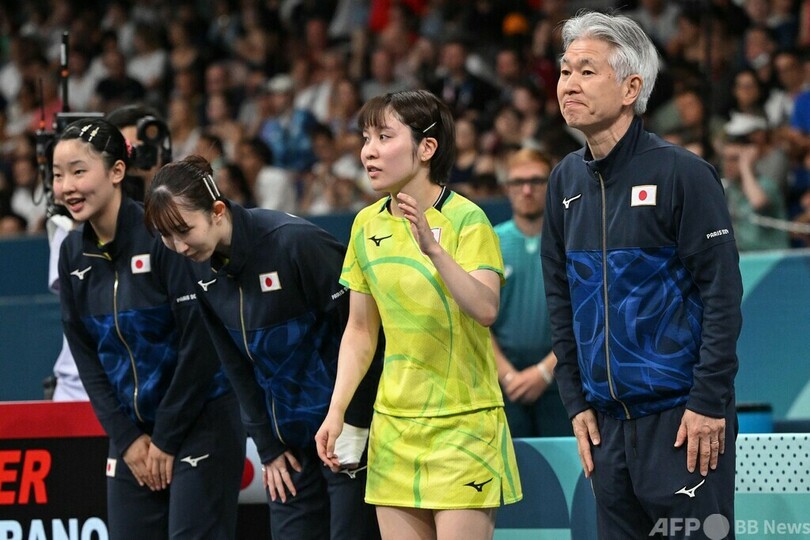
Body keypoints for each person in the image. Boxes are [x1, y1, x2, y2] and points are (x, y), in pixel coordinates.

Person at [542, 12, 743, 539]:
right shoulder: (564, 180)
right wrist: (575, 402)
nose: (569, 84)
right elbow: (561, 297)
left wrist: (707, 402)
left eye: (587, 71)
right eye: (565, 71)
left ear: (631, 88)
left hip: (682, 422)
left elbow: (722, 296)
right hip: (605, 429)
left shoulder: (683, 173)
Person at [315, 90, 522, 540]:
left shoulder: (468, 220)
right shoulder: (365, 224)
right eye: (366, 138)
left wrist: (434, 249)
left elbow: (486, 309)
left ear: (426, 148)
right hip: (393, 428)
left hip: (464, 426)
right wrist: (337, 411)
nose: (368, 151)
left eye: (384, 137)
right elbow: (360, 331)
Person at [144, 155, 382, 540]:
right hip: (290, 447)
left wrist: (355, 422)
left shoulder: (295, 243)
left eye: (183, 231)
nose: (178, 247)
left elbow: (365, 333)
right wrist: (267, 446)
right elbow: (234, 363)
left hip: (345, 437)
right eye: (165, 237)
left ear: (217, 211)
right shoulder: (195, 264)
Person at [53, 118, 244, 539]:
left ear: (117, 171)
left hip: (200, 423)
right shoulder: (71, 254)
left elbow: (200, 343)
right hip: (134, 441)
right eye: (57, 175)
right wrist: (126, 439)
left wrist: (166, 438)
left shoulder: (163, 236)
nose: (67, 186)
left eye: (79, 171)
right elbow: (86, 358)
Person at [490, 148, 569, 438]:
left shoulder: (571, 240)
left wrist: (546, 371)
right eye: (517, 182)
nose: (526, 190)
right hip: (503, 381)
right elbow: (476, 319)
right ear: (506, 188)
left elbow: (587, 314)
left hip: (563, 378)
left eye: (536, 181)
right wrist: (507, 375)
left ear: (551, 185)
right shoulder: (491, 241)